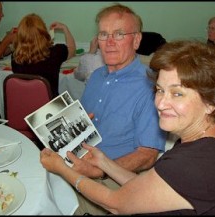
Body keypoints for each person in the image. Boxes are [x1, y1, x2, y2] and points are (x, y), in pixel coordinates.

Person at [40, 40, 215, 215]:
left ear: (211, 102)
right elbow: (145, 188)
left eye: (177, 93)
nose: (161, 103)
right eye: (160, 90)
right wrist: (103, 162)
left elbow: (114, 203)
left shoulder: (192, 165)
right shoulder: (210, 138)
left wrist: (60, 168)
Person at [57, 4, 166, 215]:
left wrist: (98, 170)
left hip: (113, 179)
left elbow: (147, 155)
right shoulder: (97, 76)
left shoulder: (151, 86)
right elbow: (86, 121)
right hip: (79, 161)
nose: (109, 43)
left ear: (136, 40)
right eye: (104, 34)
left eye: (119, 34)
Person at [11, 13, 76, 97]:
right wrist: (65, 28)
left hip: (25, 105)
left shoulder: (15, 57)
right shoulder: (55, 52)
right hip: (49, 106)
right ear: (43, 32)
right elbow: (72, 49)